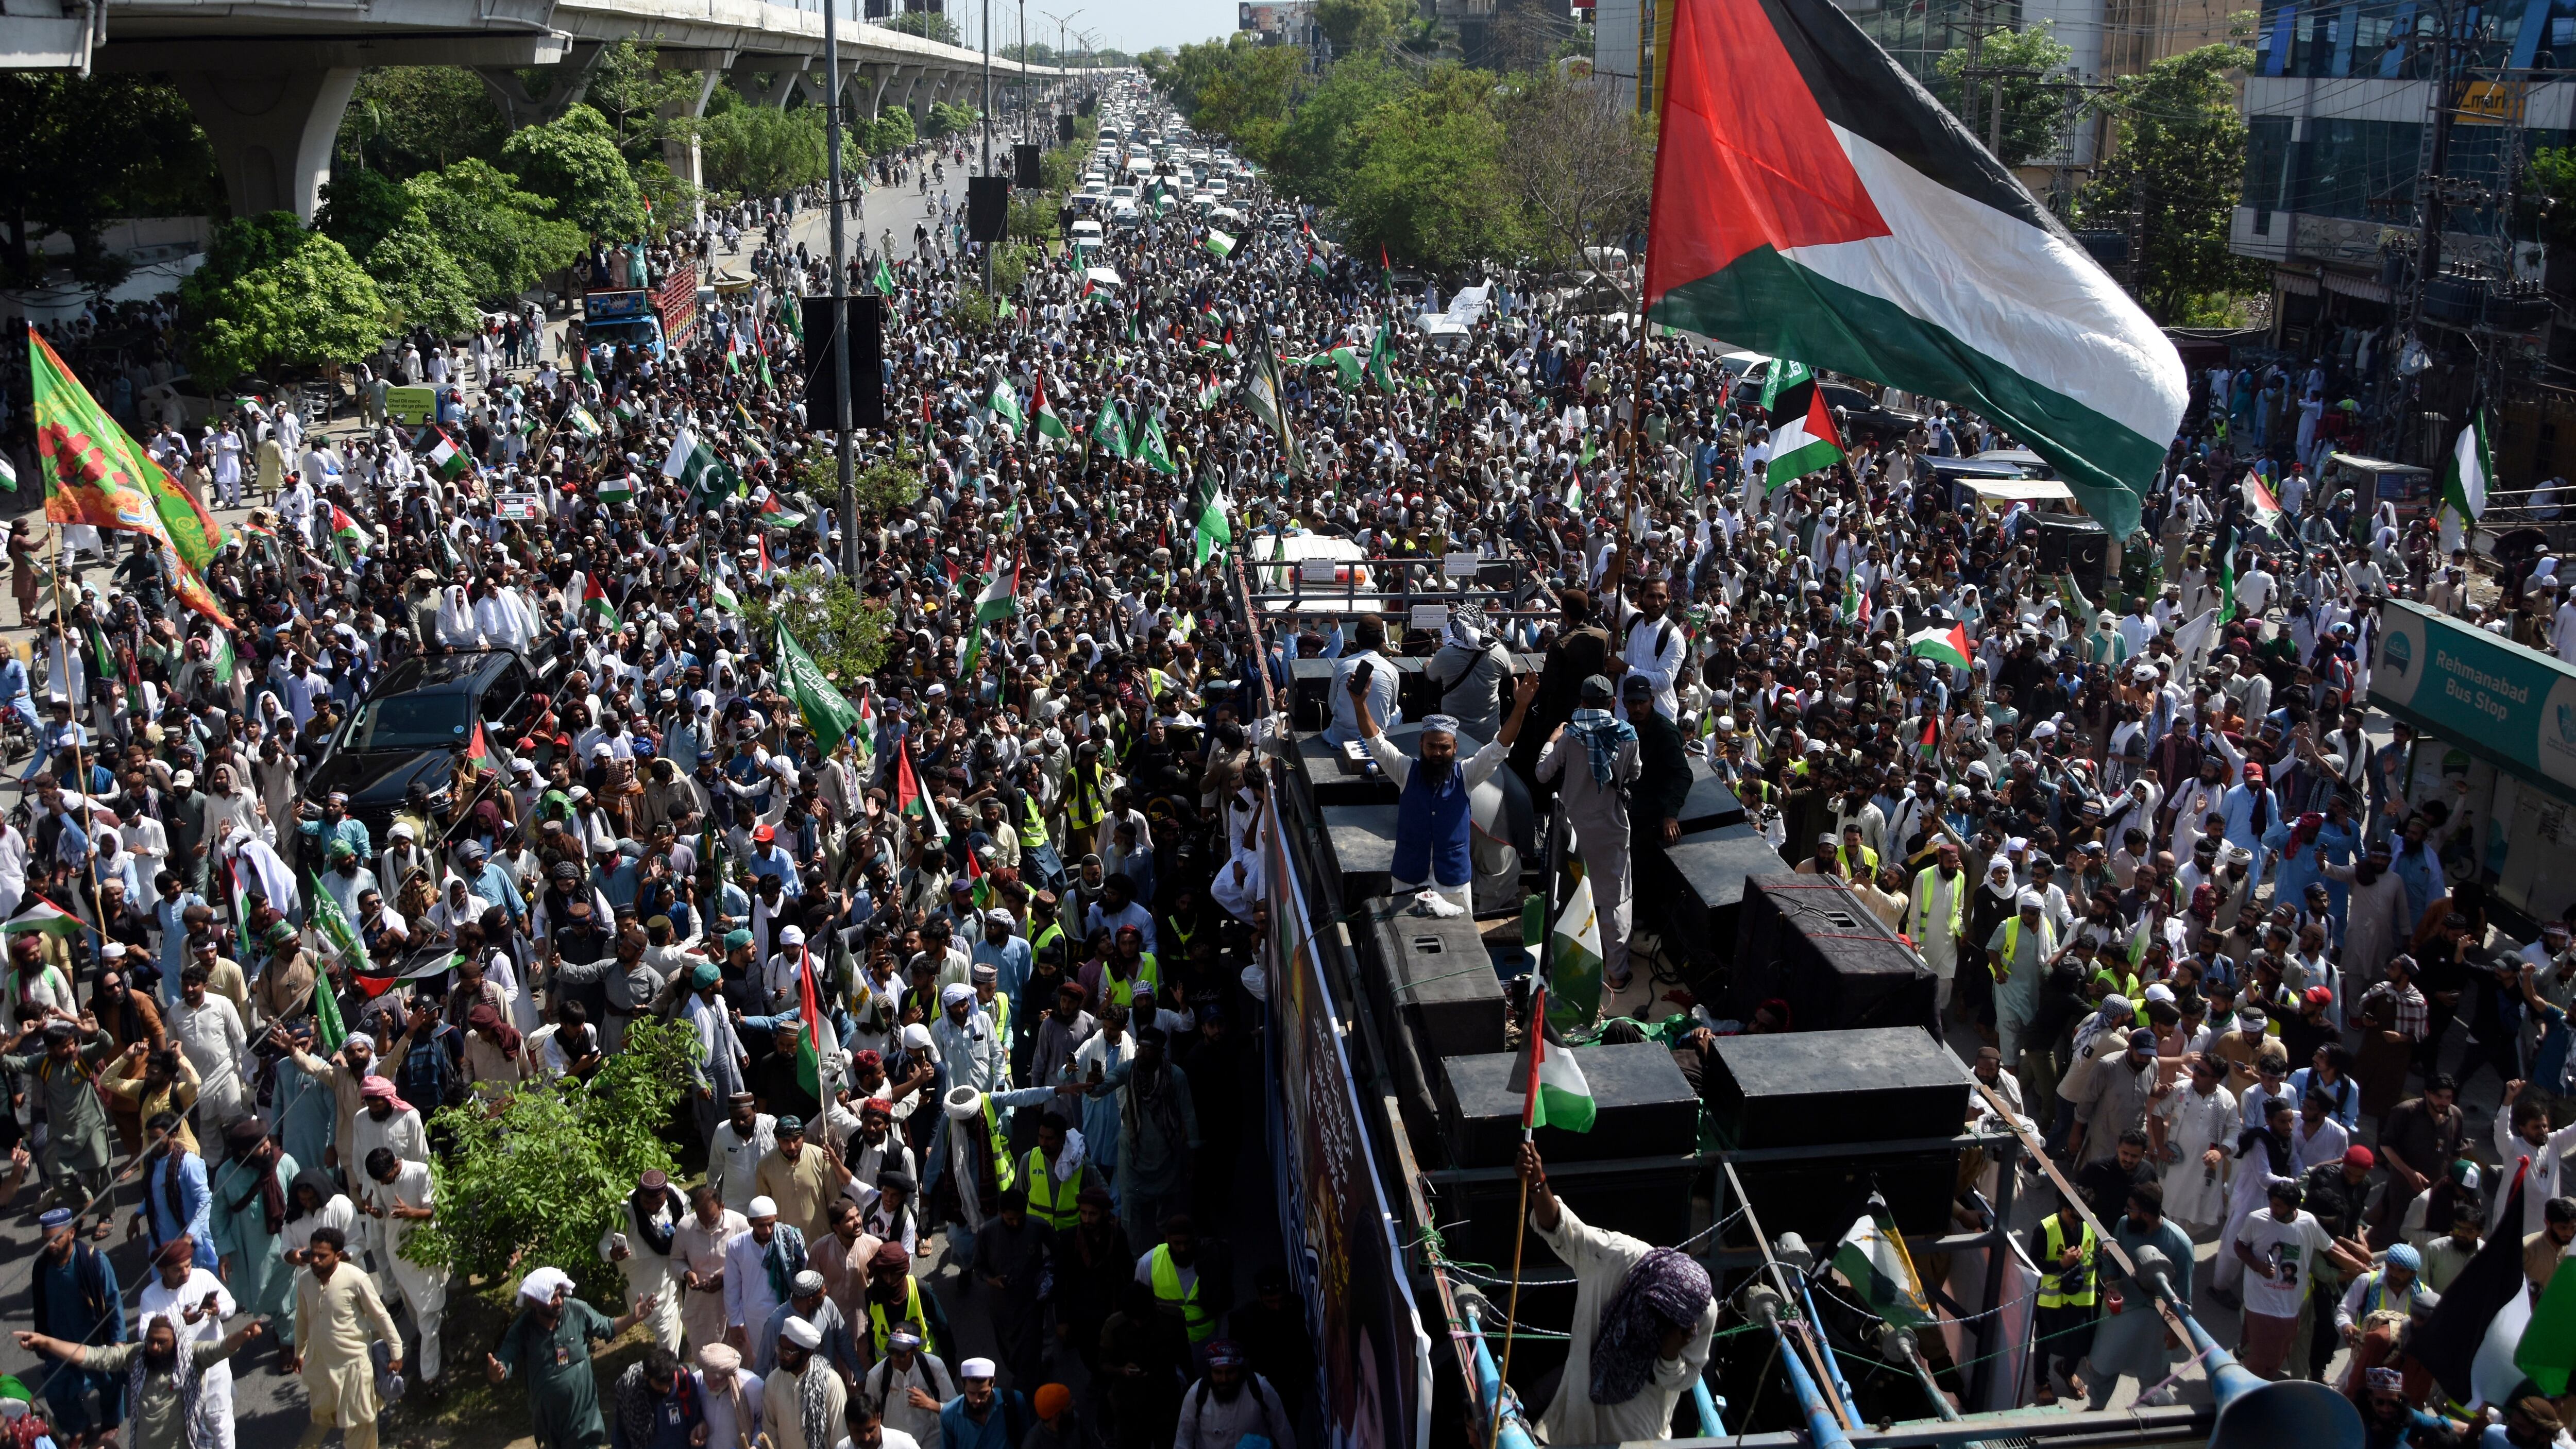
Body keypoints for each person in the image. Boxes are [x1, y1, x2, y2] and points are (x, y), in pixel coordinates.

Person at [1514, 1144, 1717, 1443]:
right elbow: (1562, 1230)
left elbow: (1687, 1378)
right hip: (1581, 1405)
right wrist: (1536, 1184)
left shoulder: (1702, 1314)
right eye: (1655, 1312)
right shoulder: (1619, 1257)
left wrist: (1670, 1354)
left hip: (1641, 1422)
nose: (1657, 1322)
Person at [1351, 675, 1537, 912]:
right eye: (1432, 747)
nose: (1437, 753)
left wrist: (1520, 708)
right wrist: (1360, 704)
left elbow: (1498, 749)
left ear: (1455, 748)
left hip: (1453, 882)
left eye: (1444, 747)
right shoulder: (1405, 770)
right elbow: (1377, 744)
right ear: (1421, 745)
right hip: (1409, 877)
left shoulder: (1468, 774)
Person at [10, 1313, 266, 1449]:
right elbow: (92, 1356)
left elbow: (222, 1347)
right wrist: (47, 1342)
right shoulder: (137, 1355)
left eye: (161, 1342)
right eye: (151, 1340)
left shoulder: (192, 1357)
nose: (153, 1347)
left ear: (177, 1341)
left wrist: (243, 1336)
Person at [486, 1266, 661, 1449]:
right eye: (552, 1298)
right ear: (534, 1301)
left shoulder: (577, 1310)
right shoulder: (524, 1328)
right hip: (549, 1420)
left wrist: (633, 1318)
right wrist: (498, 1372)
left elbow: (608, 1327)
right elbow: (504, 1361)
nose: (559, 1301)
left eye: (561, 1295)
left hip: (583, 1416)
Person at [284, 1226, 402, 1449]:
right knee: (331, 1416)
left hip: (355, 1367)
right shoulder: (306, 1281)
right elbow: (302, 1319)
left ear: (338, 1255)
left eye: (323, 1256)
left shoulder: (356, 1279)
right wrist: (299, 1352)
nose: (315, 1260)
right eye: (313, 1254)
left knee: (361, 1423)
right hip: (322, 1366)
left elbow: (381, 1316)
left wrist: (396, 1352)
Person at [2089, 1181, 2193, 1409]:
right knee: (2102, 1367)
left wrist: (2176, 1331)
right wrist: (2109, 1284)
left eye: (2131, 1208)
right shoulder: (2124, 1225)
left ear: (2145, 1214)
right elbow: (2109, 1262)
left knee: (2154, 1377)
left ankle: (2148, 1415)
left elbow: (2183, 1296)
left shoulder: (2180, 1244)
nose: (2126, 1212)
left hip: (2155, 1322)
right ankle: (2095, 1409)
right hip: (2119, 1312)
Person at [765, 1317, 849, 1449]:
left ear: (807, 1354)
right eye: (779, 1349)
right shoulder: (773, 1381)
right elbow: (770, 1432)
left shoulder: (831, 1383)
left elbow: (841, 1435)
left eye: (787, 1352)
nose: (780, 1356)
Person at [934, 1359, 1026, 1449]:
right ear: (963, 1384)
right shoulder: (949, 1415)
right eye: (972, 1393)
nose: (977, 1400)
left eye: (983, 1393)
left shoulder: (1014, 1401)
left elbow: (1027, 1442)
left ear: (993, 1383)